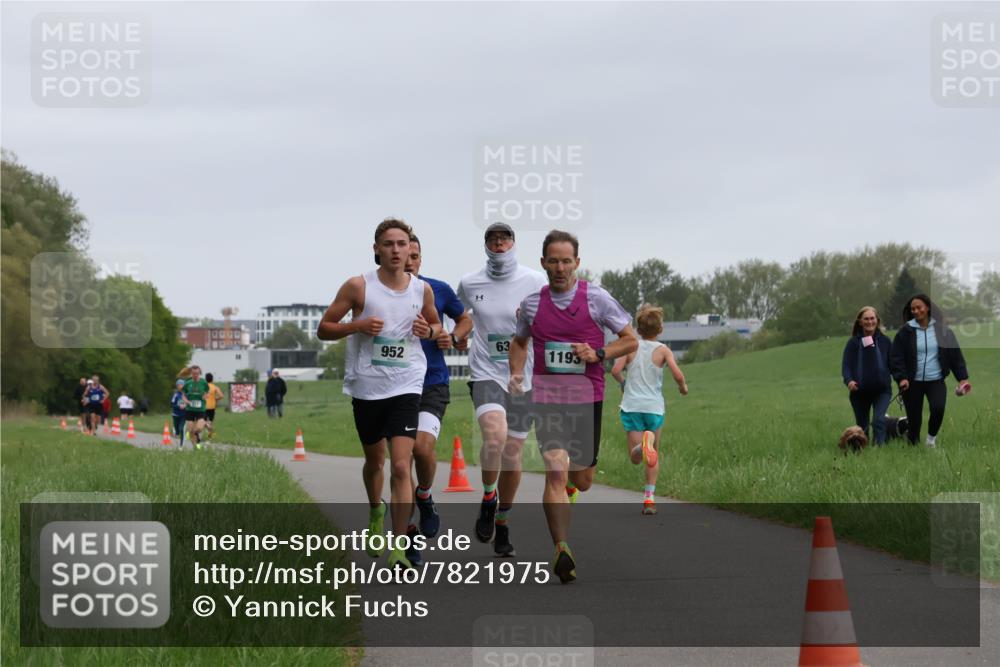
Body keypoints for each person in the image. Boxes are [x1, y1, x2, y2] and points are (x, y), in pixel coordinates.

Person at [509, 229, 637, 583]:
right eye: (553, 261)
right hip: (548, 398)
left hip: (587, 397)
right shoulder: (533, 304)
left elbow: (630, 340)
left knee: (582, 479)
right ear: (543, 264)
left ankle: (570, 492)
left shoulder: (597, 299)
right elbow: (518, 342)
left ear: (577, 263)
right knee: (554, 469)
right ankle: (561, 547)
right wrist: (517, 373)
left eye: (567, 261)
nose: (560, 267)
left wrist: (598, 353)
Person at [317, 217, 443, 570]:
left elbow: (436, 327)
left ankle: (400, 544)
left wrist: (429, 330)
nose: (396, 250)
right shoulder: (359, 287)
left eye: (401, 244)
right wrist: (356, 326)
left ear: (410, 249)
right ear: (377, 249)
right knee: (376, 462)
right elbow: (323, 329)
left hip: (406, 385)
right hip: (367, 388)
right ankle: (376, 509)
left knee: (402, 465)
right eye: (388, 244)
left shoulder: (422, 290)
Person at [457, 222, 547, 557]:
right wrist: (457, 333)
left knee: (513, 453)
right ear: (486, 245)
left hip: (523, 376)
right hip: (486, 373)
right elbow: (460, 317)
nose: (499, 244)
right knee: (494, 437)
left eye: (504, 239)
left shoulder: (535, 280)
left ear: (513, 243)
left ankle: (504, 522)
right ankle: (488, 496)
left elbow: (551, 318)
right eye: (492, 239)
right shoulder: (469, 282)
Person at [403, 235, 473, 562]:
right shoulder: (377, 291)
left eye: (415, 255)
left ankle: (425, 494)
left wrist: (456, 337)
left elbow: (465, 318)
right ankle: (407, 538)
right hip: (392, 387)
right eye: (404, 254)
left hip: (431, 383)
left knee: (422, 448)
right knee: (400, 466)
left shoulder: (437, 290)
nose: (409, 261)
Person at [611, 304, 688, 515]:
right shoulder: (663, 350)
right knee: (653, 454)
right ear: (660, 330)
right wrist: (682, 387)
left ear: (638, 328)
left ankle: (642, 447)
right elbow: (678, 374)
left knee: (636, 458)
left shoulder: (630, 346)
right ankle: (649, 500)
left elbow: (615, 370)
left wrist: (624, 384)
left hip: (632, 406)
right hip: (654, 408)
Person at [890, 294, 971, 448]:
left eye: (919, 307)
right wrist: (901, 378)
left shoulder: (943, 331)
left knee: (938, 408)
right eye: (912, 309)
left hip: (936, 380)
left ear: (927, 308)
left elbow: (955, 356)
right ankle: (912, 445)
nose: (915, 311)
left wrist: (962, 378)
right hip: (912, 382)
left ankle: (930, 440)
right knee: (914, 419)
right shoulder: (905, 332)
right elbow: (896, 358)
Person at [841, 306, 893, 446]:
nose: (870, 322)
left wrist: (902, 379)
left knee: (878, 420)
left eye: (872, 318)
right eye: (866, 319)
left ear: (877, 320)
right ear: (860, 322)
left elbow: (894, 364)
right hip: (859, 392)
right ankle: (862, 449)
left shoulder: (885, 342)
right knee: (862, 426)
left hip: (882, 390)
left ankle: (879, 449)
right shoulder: (853, 343)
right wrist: (849, 381)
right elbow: (846, 366)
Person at [181, 365, 210, 449]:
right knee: (191, 431)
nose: (195, 375)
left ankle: (204, 423)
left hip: (200, 410)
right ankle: (196, 447)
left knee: (198, 429)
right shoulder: (188, 383)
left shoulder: (203, 382)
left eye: (197, 373)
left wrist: (206, 396)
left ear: (199, 373)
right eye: (193, 374)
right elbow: (183, 395)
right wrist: (186, 401)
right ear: (191, 374)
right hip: (190, 410)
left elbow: (207, 392)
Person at [204, 372, 226, 438]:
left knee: (204, 422)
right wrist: (215, 398)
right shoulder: (215, 387)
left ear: (205, 379)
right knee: (210, 422)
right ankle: (210, 435)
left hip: (204, 407)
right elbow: (222, 396)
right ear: (212, 379)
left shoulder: (203, 387)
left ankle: (211, 432)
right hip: (212, 407)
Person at [170, 379, 186, 448]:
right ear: (177, 386)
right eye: (179, 385)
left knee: (181, 429)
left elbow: (189, 403)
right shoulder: (176, 395)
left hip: (183, 415)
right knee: (177, 431)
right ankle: (175, 431)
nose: (180, 386)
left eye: (182, 385)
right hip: (175, 414)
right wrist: (179, 406)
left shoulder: (187, 395)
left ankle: (181, 446)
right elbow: (172, 404)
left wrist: (186, 406)